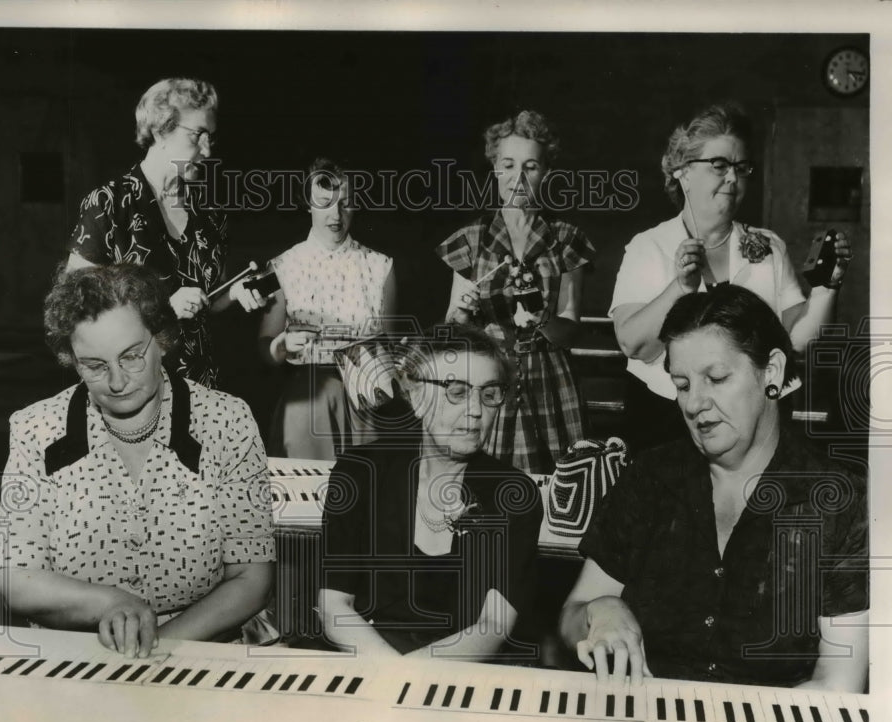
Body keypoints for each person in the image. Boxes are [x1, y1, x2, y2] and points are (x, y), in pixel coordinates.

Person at [559, 285, 868, 691]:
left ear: (771, 372)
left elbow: (838, 682)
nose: (693, 404)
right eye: (683, 384)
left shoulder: (839, 500)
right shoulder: (650, 477)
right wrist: (599, 611)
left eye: (716, 378)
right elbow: (569, 620)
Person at [0, 263, 275, 658]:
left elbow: (251, 577)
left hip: (200, 650)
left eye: (131, 357)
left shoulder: (227, 422)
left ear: (161, 339)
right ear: (71, 360)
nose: (117, 381)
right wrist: (110, 601)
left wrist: (159, 648)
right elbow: (15, 578)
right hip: (76, 656)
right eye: (94, 366)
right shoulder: (35, 430)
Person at [610, 102, 853, 449]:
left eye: (741, 168)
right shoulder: (648, 247)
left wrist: (827, 288)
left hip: (755, 417)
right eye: (719, 165)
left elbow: (798, 339)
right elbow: (631, 343)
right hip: (669, 418)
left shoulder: (769, 246)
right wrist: (679, 287)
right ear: (683, 171)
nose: (732, 178)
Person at [317, 325, 543, 661]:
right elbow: (333, 605)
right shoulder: (360, 472)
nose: (477, 410)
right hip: (366, 658)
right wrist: (394, 674)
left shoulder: (513, 492)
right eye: (456, 391)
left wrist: (410, 680)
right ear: (416, 395)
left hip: (459, 669)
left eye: (490, 393)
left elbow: (492, 625)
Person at [67, 77, 264, 390]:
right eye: (198, 134)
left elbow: (205, 299)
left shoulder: (209, 213)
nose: (208, 148)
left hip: (199, 387)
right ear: (160, 129)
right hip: (130, 389)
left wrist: (233, 292)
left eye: (211, 136)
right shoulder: (108, 204)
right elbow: (74, 303)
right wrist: (161, 306)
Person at [437, 110, 596, 474]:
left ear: (546, 173)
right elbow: (452, 326)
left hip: (551, 383)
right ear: (494, 169)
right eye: (508, 165)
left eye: (531, 167)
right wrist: (461, 316)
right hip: (489, 380)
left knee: (558, 491)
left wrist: (542, 316)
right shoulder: (471, 241)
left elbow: (570, 330)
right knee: (487, 488)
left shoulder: (566, 240)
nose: (518, 178)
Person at [259, 157, 396, 459]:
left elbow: (390, 346)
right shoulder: (282, 266)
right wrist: (280, 345)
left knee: (365, 498)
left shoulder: (380, 266)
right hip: (307, 404)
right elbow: (265, 349)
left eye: (345, 203)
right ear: (308, 203)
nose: (336, 214)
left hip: (368, 404)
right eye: (324, 203)